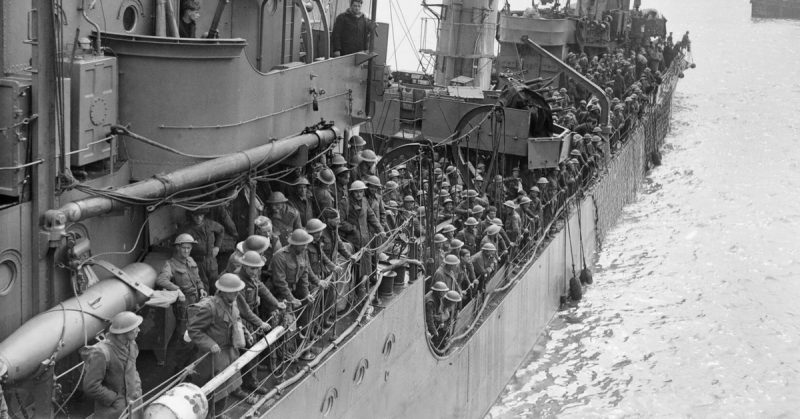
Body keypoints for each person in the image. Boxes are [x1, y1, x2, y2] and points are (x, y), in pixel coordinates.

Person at [188, 274, 266, 416]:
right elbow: (193, 330)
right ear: (223, 291)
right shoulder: (210, 307)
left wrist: (245, 332)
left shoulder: (233, 303)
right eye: (233, 291)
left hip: (230, 353)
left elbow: (236, 320)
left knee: (226, 390)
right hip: (214, 358)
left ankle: (219, 414)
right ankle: (211, 415)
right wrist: (209, 344)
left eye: (237, 290)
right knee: (214, 392)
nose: (237, 293)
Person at [155, 233, 206, 371]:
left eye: (188, 248)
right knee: (183, 336)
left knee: (195, 333)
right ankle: (177, 367)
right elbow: (161, 280)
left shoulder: (191, 261)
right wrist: (178, 290)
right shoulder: (170, 264)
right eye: (183, 248)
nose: (186, 251)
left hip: (196, 301)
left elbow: (197, 279)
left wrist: (201, 288)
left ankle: (189, 364)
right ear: (177, 248)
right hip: (183, 305)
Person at [80, 311, 143, 419]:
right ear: (124, 332)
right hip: (114, 411)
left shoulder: (132, 344)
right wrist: (113, 399)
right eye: (135, 327)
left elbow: (132, 369)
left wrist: (136, 387)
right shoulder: (102, 353)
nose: (138, 330)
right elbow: (91, 386)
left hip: (134, 404)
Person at [179, 208, 224, 289]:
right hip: (197, 262)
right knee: (203, 286)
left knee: (215, 284)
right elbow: (181, 246)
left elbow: (221, 230)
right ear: (192, 216)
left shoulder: (210, 224)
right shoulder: (186, 229)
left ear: (203, 215)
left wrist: (217, 246)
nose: (198, 218)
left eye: (201, 215)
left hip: (211, 260)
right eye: (196, 215)